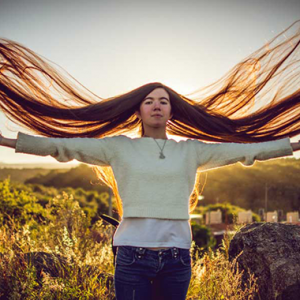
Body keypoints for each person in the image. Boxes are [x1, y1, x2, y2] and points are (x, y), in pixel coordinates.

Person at [0, 21, 300, 300]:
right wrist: (9, 141)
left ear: (172, 111)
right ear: (138, 110)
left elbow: (247, 151)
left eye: (163, 101)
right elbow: (62, 148)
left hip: (177, 256)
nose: (156, 106)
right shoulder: (119, 148)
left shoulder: (191, 151)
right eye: (149, 101)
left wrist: (294, 144)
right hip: (132, 255)